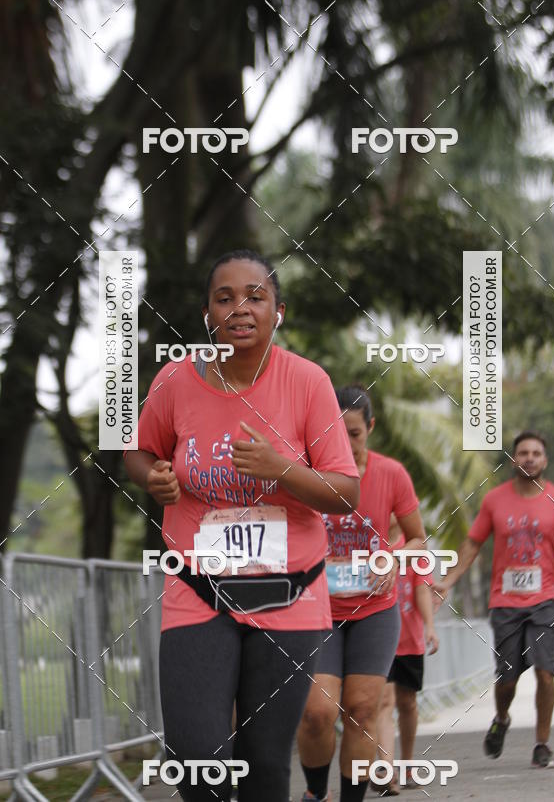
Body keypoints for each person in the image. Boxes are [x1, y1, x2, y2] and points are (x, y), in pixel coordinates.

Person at [124, 250, 360, 802]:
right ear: (207, 312)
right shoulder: (176, 379)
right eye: (224, 298)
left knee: (262, 769)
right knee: (199, 763)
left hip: (287, 593)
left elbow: (344, 493)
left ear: (279, 310)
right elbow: (138, 453)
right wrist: (155, 476)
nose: (240, 308)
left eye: (256, 296)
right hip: (197, 587)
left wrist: (283, 469)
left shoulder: (306, 382)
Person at [433, 430, 554, 769]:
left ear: (545, 460)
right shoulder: (494, 500)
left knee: (545, 673)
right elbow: (473, 543)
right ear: (514, 460)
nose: (529, 458)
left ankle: (542, 744)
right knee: (506, 679)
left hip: (546, 600)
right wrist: (448, 580)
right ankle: (502, 717)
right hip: (505, 602)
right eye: (523, 453)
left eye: (536, 453)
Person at [297, 386, 427, 802]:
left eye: (354, 433)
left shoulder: (391, 474)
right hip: (317, 609)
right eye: (336, 433)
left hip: (375, 610)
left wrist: (392, 559)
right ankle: (317, 793)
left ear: (369, 428)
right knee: (317, 713)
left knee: (363, 710)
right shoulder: (306, 473)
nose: (346, 442)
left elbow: (419, 539)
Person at [374, 548, 439, 794]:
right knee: (384, 702)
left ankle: (408, 765)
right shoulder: (371, 543)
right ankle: (386, 769)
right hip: (379, 639)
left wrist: (430, 626)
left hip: (410, 638)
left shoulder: (415, 549)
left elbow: (423, 589)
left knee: (407, 703)